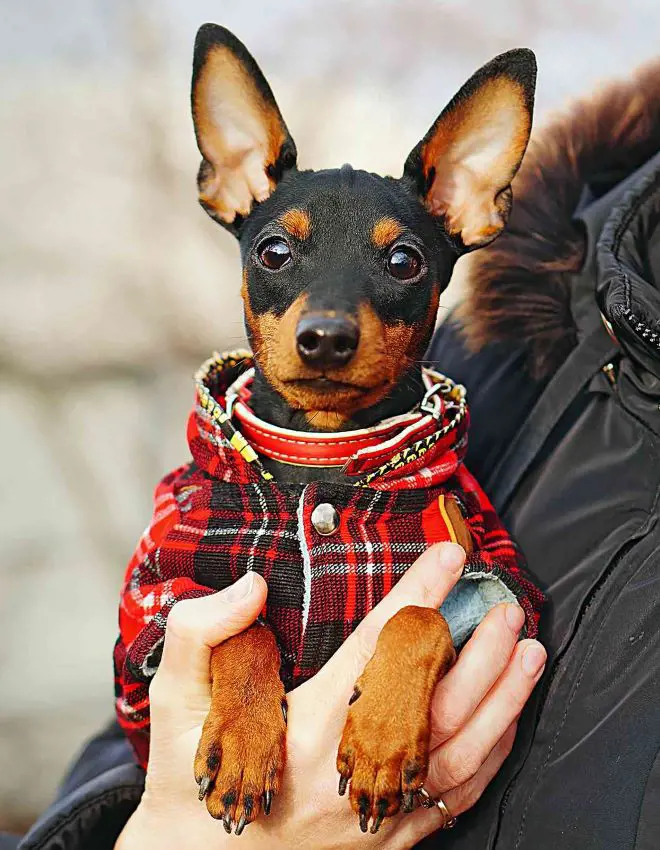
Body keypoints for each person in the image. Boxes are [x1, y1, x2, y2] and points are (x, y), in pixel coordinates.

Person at [9, 61, 660, 850]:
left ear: (472, 204)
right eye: (280, 257)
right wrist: (235, 680)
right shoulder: (199, 501)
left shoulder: (445, 492)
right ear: (228, 188)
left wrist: (416, 643)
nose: (327, 322)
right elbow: (148, 662)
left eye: (398, 264)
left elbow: (498, 598)